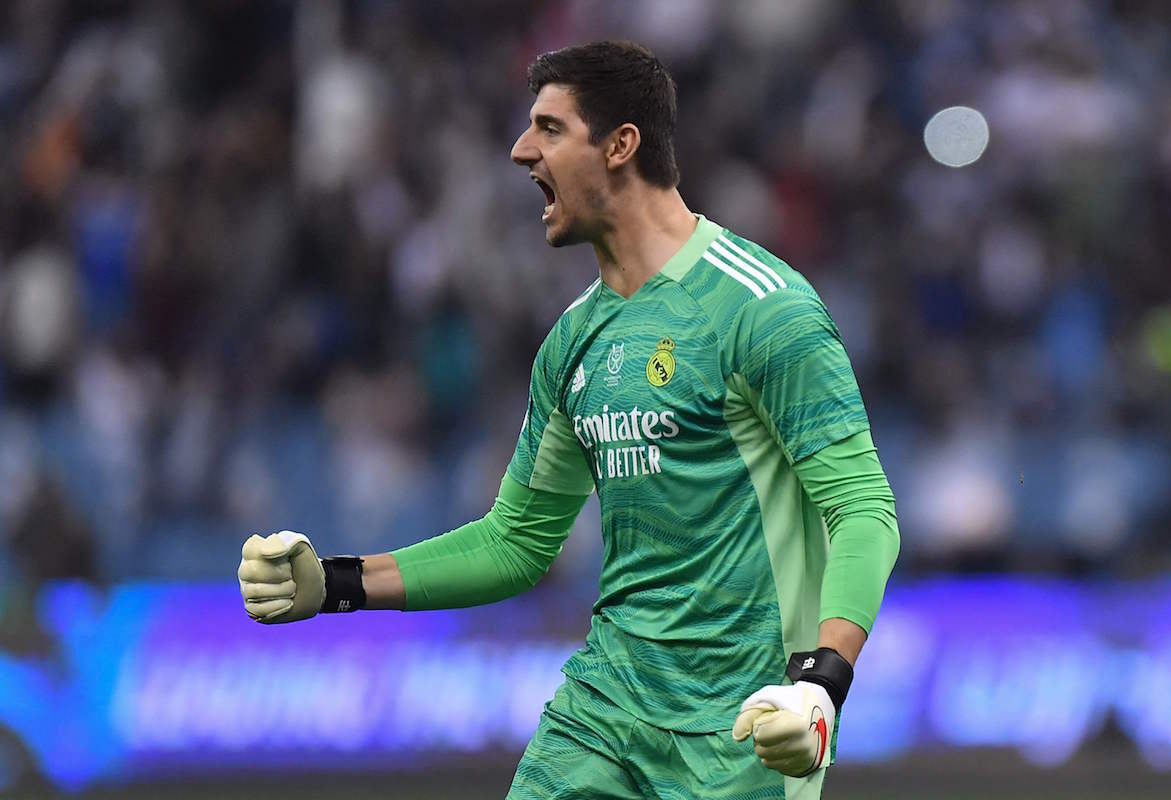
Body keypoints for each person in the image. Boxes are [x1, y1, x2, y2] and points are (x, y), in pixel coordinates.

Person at [238, 41, 899, 800]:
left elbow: (864, 511)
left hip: (743, 728)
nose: (522, 151)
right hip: (602, 713)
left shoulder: (762, 307)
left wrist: (820, 686)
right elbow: (516, 540)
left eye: (550, 129)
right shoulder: (572, 341)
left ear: (621, 146)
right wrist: (333, 583)